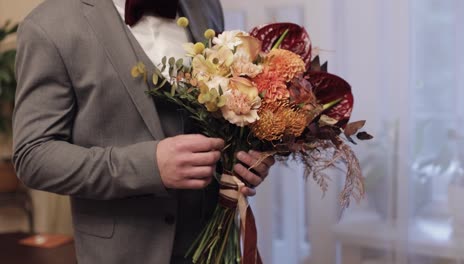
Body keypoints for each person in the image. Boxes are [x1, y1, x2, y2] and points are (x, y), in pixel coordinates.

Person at [12, 0, 275, 263]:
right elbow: (33, 156)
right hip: (122, 253)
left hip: (213, 247)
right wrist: (148, 166)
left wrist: (244, 158)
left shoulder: (206, 6)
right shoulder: (48, 25)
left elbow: (221, 110)